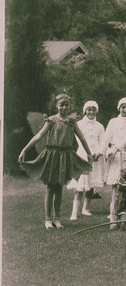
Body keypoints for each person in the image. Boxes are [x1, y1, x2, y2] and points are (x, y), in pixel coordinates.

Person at [18, 92, 93, 229]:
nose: (64, 108)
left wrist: (89, 153)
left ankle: (57, 218)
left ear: (70, 106)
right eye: (61, 105)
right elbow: (39, 136)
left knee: (59, 187)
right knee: (50, 187)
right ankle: (48, 219)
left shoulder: (71, 122)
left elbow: (81, 138)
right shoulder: (52, 120)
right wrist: (25, 150)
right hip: (52, 155)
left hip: (65, 156)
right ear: (56, 106)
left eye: (66, 105)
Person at [103, 97, 126, 229]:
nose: (125, 109)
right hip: (115, 157)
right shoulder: (113, 121)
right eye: (122, 107)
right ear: (119, 108)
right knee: (115, 188)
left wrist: (117, 148)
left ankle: (125, 213)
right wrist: (105, 151)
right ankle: (113, 215)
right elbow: (107, 137)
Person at [67, 101, 106, 220]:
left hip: (95, 157)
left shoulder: (99, 126)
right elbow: (74, 140)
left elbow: (102, 141)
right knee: (80, 186)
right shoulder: (78, 124)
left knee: (91, 184)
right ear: (85, 111)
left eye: (93, 109)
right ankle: (74, 212)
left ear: (96, 111)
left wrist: (98, 153)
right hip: (82, 155)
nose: (91, 112)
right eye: (89, 109)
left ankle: (86, 209)